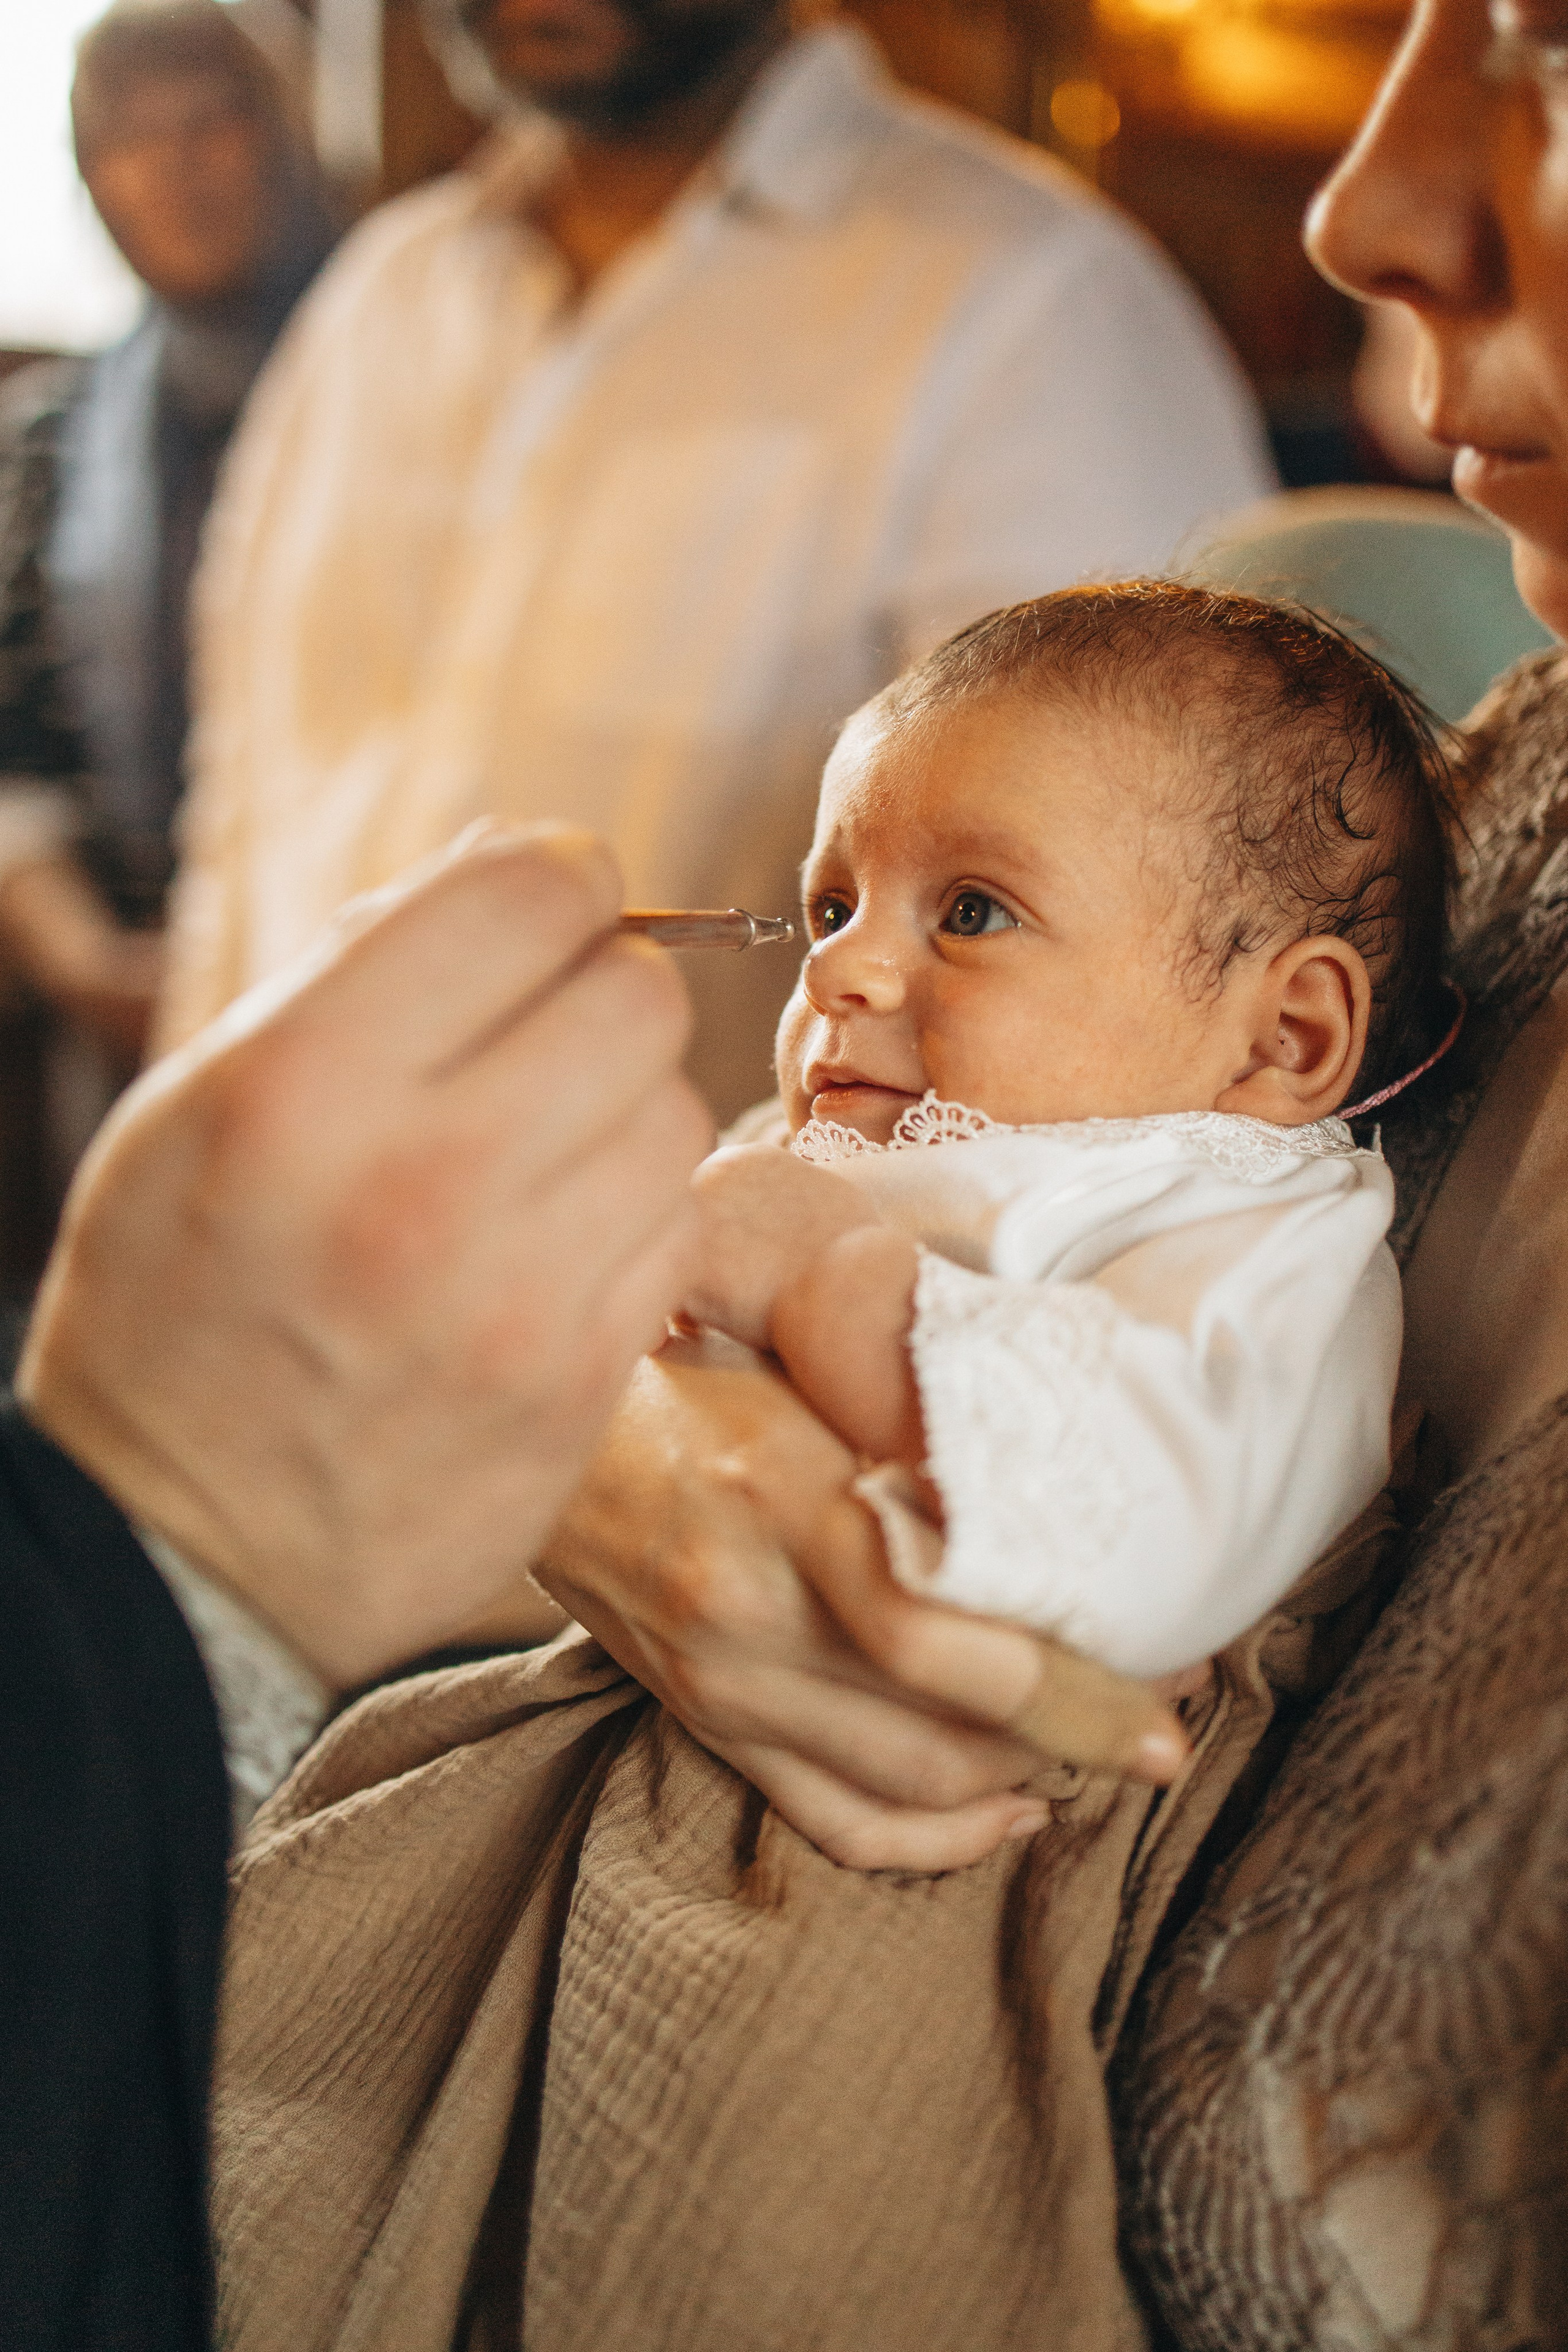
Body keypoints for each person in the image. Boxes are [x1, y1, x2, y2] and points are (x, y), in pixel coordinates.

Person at [207, 584, 1463, 2351]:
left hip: (931, 1847)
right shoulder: (852, 1155)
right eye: (828, 907)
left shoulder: (1236, 1213)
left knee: (742, 2236)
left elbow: (1170, 1525)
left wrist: (818, 1282)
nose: (849, 970)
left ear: (1289, 1039)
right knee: (288, 2079)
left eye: (971, 911)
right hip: (628, 1722)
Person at [154, 0, 1274, 1119]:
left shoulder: (1038, 306)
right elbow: (244, 811)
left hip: (708, 1271)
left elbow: (1123, 964)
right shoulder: (382, 296)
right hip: (282, 1226)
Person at [0, 0, 333, 1068]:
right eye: (130, 140)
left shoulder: (390, 382)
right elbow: (14, 750)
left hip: (346, 964)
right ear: (91, 179)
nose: (175, 169)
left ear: (285, 138)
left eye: (212, 125)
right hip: (117, 998)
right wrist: (90, 959)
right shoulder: (48, 439)